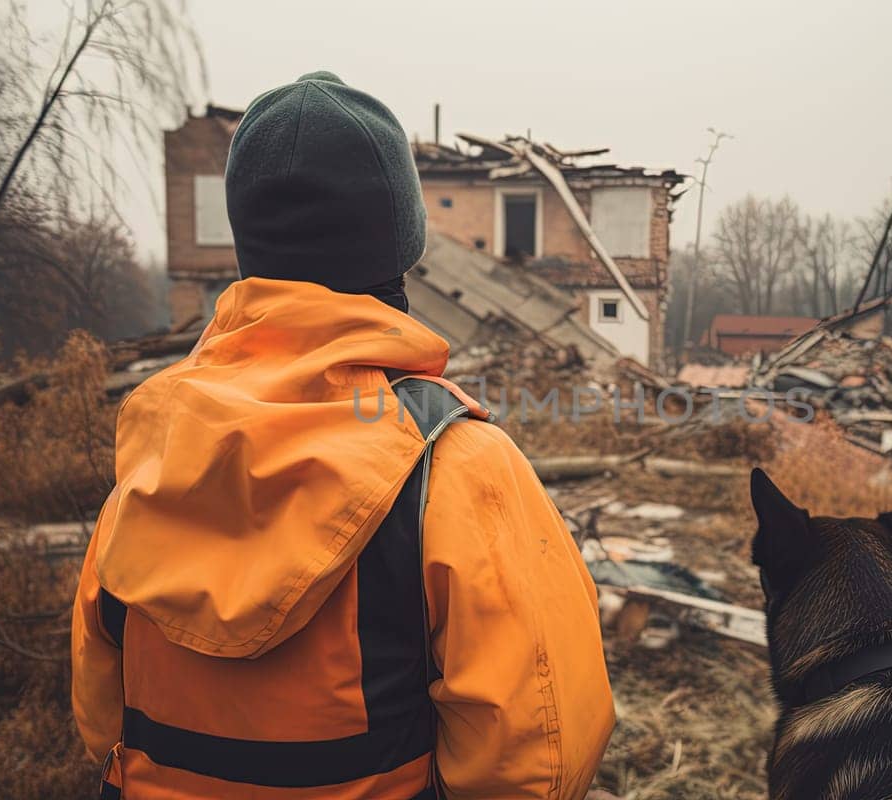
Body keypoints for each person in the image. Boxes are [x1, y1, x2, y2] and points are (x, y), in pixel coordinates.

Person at [71, 71, 613, 799]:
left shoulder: (152, 457)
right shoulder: (453, 466)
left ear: (245, 240)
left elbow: (101, 720)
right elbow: (538, 762)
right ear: (403, 241)